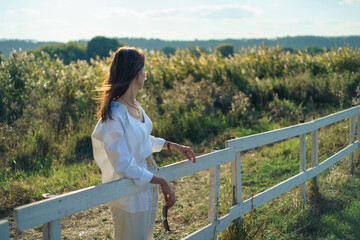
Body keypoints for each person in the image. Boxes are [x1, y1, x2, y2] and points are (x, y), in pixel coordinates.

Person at [91, 47, 196, 240]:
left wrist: (172, 146)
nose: (146, 76)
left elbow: (141, 140)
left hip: (146, 189)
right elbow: (123, 164)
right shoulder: (114, 115)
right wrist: (161, 180)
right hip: (129, 197)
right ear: (137, 74)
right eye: (144, 70)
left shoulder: (135, 106)